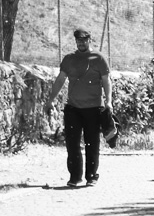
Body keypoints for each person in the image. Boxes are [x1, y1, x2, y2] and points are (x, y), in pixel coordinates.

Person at [45, 26, 112, 187]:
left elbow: (106, 81)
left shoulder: (99, 58)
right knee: (72, 144)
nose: (81, 43)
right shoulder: (69, 59)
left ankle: (91, 176)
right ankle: (75, 177)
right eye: (78, 40)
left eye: (84, 40)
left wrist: (109, 101)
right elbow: (60, 80)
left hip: (93, 108)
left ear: (90, 40)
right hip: (73, 108)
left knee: (92, 143)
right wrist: (50, 99)